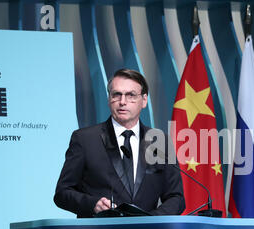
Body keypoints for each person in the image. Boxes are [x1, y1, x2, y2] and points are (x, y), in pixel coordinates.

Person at [54, 68, 185, 218]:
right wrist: (92, 204)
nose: (123, 102)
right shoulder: (85, 139)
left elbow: (176, 198)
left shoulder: (159, 141)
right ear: (109, 98)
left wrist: (150, 221)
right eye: (117, 95)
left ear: (144, 100)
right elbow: (62, 193)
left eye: (131, 95)